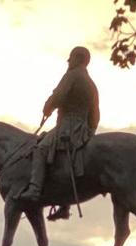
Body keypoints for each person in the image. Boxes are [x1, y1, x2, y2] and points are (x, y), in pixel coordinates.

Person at [19, 45, 100, 222]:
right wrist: (89, 131)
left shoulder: (72, 75)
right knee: (61, 157)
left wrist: (48, 106)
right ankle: (64, 204)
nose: (68, 61)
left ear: (78, 59)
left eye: (71, 57)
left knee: (40, 148)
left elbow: (59, 96)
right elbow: (95, 114)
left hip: (68, 126)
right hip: (84, 129)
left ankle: (34, 189)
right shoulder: (91, 83)